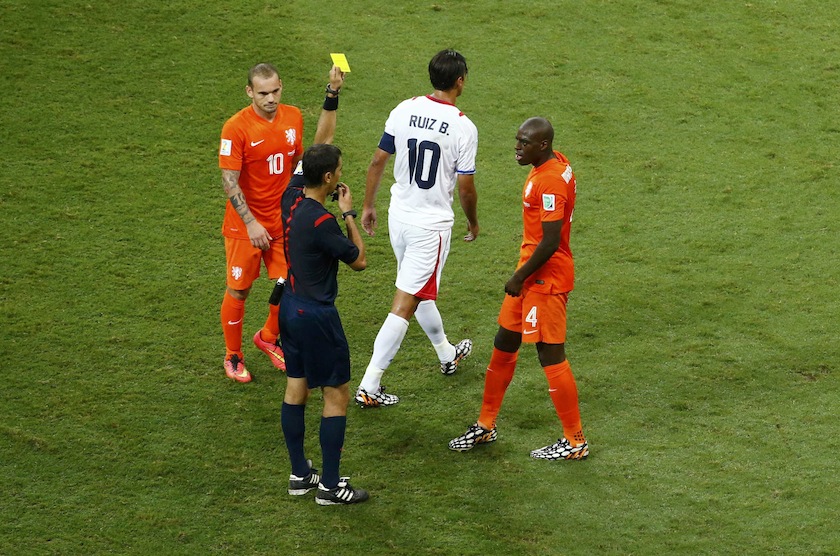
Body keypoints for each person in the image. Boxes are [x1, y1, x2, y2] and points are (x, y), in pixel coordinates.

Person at [448, 117, 589, 461]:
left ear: (542, 146)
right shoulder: (553, 163)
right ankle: (485, 424)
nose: (516, 147)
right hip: (530, 273)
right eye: (517, 140)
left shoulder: (551, 180)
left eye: (524, 143)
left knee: (549, 354)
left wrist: (520, 277)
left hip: (544, 278)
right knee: (505, 341)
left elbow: (552, 241)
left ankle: (575, 441)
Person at [356, 49, 480, 408]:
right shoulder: (462, 126)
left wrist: (368, 205)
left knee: (418, 288)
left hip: (400, 218)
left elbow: (379, 159)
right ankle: (370, 383)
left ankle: (447, 353)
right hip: (431, 226)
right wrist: (473, 221)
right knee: (405, 302)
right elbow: (466, 186)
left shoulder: (404, 108)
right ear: (460, 81)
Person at [218, 63, 344, 383]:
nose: (270, 98)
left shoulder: (293, 117)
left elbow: (301, 162)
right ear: (249, 92)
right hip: (245, 227)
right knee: (239, 289)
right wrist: (251, 224)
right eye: (262, 93)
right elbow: (230, 182)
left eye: (275, 91)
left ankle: (268, 337)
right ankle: (233, 355)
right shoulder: (236, 128)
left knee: (291, 284)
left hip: (282, 222)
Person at [279, 143, 369, 505]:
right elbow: (359, 261)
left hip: (289, 308)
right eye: (339, 170)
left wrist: (331, 97)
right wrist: (348, 214)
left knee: (295, 388)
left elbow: (305, 166)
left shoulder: (290, 199)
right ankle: (330, 487)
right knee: (336, 394)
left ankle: (300, 474)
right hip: (317, 317)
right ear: (329, 178)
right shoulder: (322, 221)